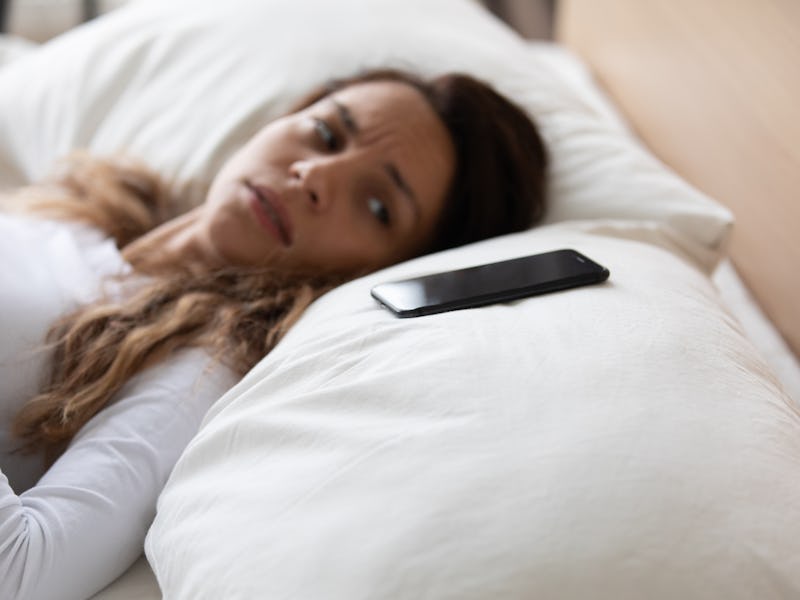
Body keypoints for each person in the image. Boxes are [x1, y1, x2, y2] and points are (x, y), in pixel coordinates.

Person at [0, 68, 548, 599]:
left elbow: (24, 571)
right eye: (327, 133)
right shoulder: (85, 212)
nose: (314, 178)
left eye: (378, 205)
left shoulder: (195, 366)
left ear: (384, 268)